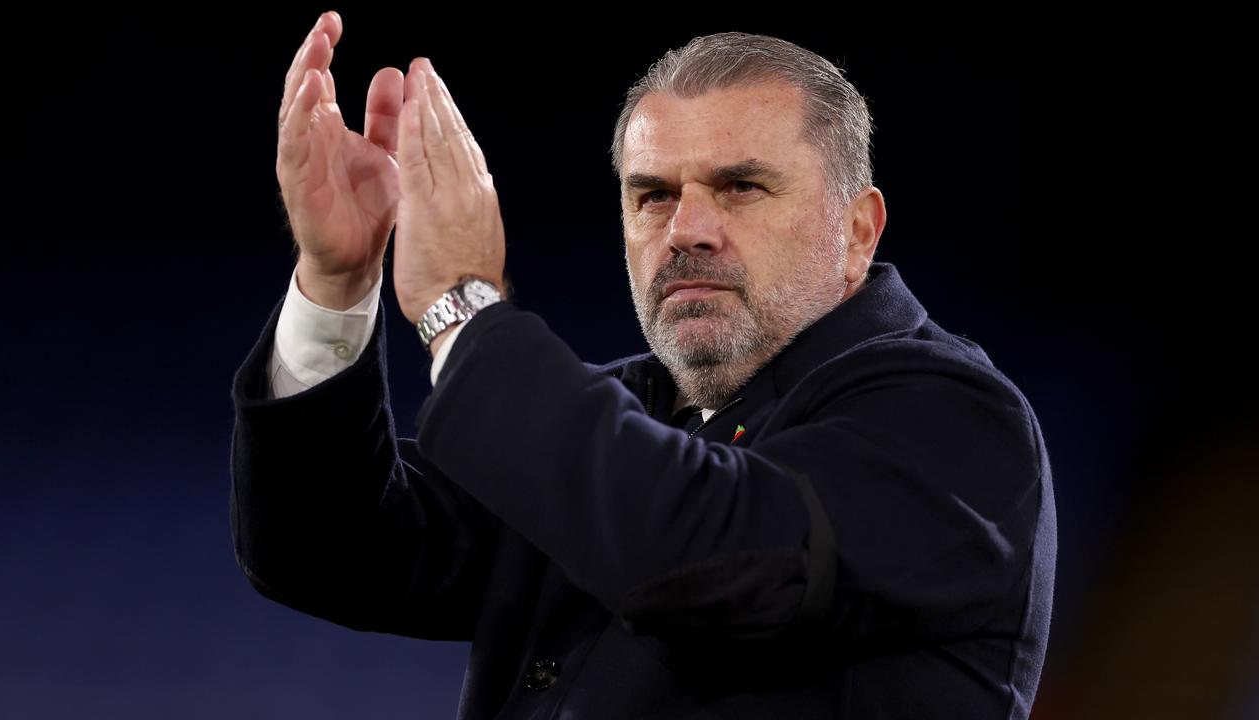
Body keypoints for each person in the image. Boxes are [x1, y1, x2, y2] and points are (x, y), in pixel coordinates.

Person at [230, 11, 1056, 719]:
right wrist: (338, 282)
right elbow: (324, 549)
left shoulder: (955, 422)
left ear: (858, 230)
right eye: (652, 194)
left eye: (740, 187)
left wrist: (459, 305)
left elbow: (700, 552)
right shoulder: (618, 412)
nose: (686, 229)